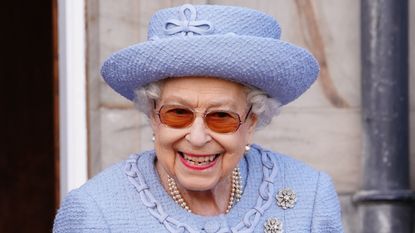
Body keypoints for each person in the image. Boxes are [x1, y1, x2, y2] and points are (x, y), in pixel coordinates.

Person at [53, 4, 343, 233]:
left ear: (252, 121)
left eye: (221, 117)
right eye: (177, 113)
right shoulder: (94, 212)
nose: (197, 137)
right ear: (153, 115)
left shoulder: (310, 195)